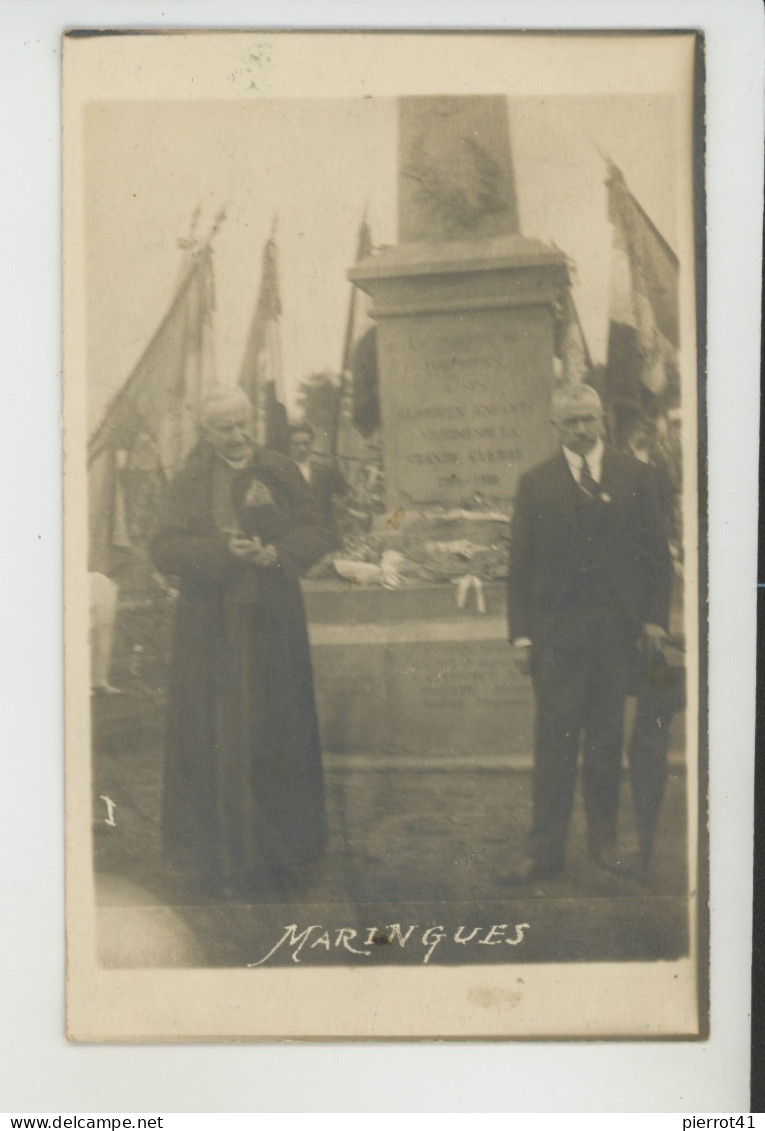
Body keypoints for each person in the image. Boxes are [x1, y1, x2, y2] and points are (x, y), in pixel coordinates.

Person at [151, 387, 335, 897]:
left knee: (277, 729)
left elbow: (319, 528)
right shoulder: (188, 480)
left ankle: (283, 854)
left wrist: (276, 553)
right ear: (206, 434)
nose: (236, 435)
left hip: (272, 626)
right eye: (223, 428)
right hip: (209, 632)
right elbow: (162, 547)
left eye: (241, 423)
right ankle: (213, 858)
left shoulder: (280, 468)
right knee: (215, 734)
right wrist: (220, 550)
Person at [505, 384, 672, 882]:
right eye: (571, 421)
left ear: (602, 419)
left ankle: (604, 842)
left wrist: (654, 619)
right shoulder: (536, 482)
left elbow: (655, 557)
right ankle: (544, 850)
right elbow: (521, 565)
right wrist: (522, 637)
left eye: (589, 418)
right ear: (555, 426)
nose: (581, 428)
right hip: (557, 636)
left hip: (615, 633)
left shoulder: (636, 475)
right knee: (554, 741)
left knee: (604, 740)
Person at [288, 421, 347, 549]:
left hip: (322, 537)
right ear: (289, 445)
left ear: (312, 443)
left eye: (305, 443)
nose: (302, 448)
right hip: (293, 537)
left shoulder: (324, 471)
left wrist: (338, 467)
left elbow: (343, 492)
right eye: (296, 444)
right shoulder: (282, 473)